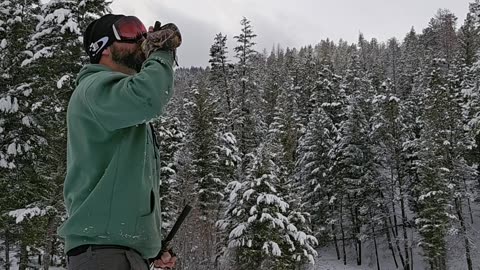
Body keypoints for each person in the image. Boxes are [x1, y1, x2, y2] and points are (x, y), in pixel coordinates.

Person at [57, 14, 181, 270]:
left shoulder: (118, 104)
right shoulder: (94, 89)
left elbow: (126, 189)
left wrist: (151, 248)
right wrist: (162, 52)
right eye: (128, 31)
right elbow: (149, 97)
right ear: (101, 48)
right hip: (104, 256)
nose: (140, 38)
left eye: (141, 31)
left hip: (117, 254)